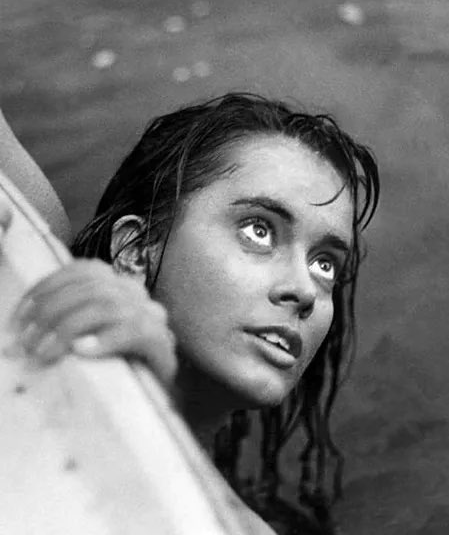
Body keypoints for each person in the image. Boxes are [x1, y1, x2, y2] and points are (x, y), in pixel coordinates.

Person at [3, 93, 379, 534]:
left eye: (324, 264)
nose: (304, 290)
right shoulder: (43, 263)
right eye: (259, 230)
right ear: (135, 251)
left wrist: (154, 404)